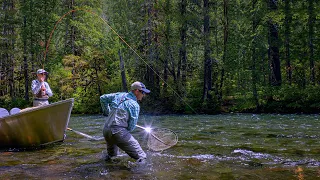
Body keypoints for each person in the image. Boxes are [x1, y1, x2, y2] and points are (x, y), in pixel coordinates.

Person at [100, 81, 150, 165]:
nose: (144, 95)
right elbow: (131, 126)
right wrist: (121, 131)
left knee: (112, 157)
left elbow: (102, 98)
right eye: (143, 92)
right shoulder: (134, 105)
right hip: (118, 132)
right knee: (142, 157)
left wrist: (107, 112)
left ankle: (109, 171)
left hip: (106, 130)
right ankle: (141, 174)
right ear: (137, 91)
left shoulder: (119, 95)